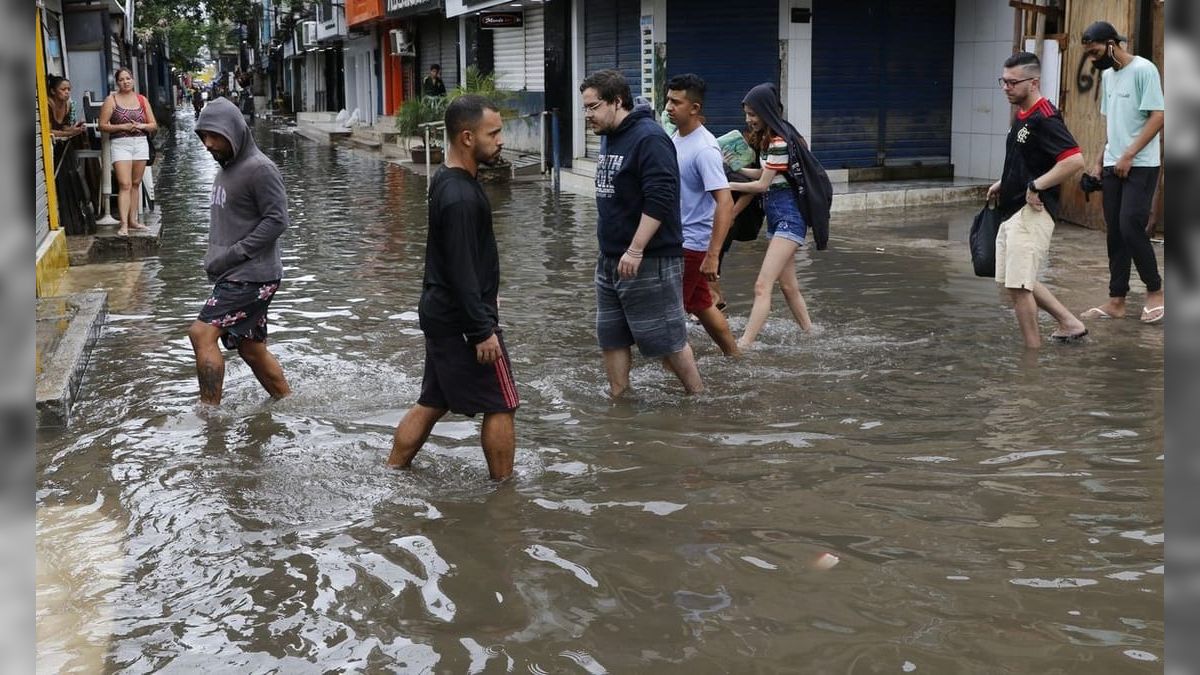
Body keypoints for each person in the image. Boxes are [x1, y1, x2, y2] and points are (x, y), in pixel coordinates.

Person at [386, 95, 518, 480]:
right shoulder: (460, 195)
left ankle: (393, 471)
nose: (501, 140)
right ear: (466, 137)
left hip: (442, 313)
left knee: (433, 400)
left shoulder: (446, 179)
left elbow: (460, 261)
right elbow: (461, 269)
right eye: (493, 133)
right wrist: (482, 330)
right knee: (502, 403)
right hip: (463, 322)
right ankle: (504, 493)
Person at [580, 69, 703, 396]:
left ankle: (700, 398)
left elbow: (661, 199)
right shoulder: (609, 134)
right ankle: (619, 399)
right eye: (585, 108)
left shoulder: (649, 138)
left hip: (649, 259)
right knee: (611, 336)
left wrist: (635, 249)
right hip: (610, 259)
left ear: (617, 101)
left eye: (592, 107)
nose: (587, 115)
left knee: (667, 340)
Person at [188, 98, 291, 405]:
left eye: (215, 136)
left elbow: (277, 220)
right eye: (203, 136)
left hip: (251, 275)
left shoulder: (260, 169)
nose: (208, 144)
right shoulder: (228, 168)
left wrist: (235, 254)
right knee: (251, 349)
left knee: (201, 333)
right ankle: (288, 403)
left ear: (234, 132)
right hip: (235, 273)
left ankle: (210, 418)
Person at [986, 52, 1088, 349]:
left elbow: (1074, 160)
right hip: (1014, 207)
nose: (1006, 87)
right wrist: (1005, 182)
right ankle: (1070, 323)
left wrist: (1036, 185)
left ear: (1034, 83)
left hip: (1032, 211)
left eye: (1012, 82)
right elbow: (1030, 159)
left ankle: (1031, 355)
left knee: (1019, 286)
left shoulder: (1045, 117)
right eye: (1003, 81)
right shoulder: (1023, 115)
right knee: (1016, 281)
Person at [1078, 21, 1166, 324]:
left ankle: (1155, 292)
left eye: (1095, 51)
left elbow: (1158, 116)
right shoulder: (1107, 75)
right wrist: (1100, 160)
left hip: (1141, 164)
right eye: (1089, 53)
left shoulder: (1144, 70)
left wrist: (1129, 154)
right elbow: (1113, 124)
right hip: (1114, 163)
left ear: (1112, 44)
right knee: (1114, 231)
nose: (1093, 58)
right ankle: (1117, 300)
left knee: (1130, 225)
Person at [727, 83, 816, 350]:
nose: (749, 120)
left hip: (789, 220)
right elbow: (767, 175)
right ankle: (811, 334)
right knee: (788, 287)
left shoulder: (778, 141)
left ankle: (743, 344)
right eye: (746, 114)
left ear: (766, 111)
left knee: (761, 285)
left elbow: (762, 186)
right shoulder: (773, 140)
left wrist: (728, 185)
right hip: (778, 220)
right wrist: (735, 167)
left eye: (753, 114)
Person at [664, 73, 739, 356]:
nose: (669, 107)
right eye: (668, 100)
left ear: (694, 108)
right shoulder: (676, 136)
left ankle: (679, 377)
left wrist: (713, 255)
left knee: (667, 316)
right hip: (679, 239)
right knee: (702, 305)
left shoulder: (704, 148)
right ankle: (734, 356)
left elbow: (725, 201)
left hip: (690, 245)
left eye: (676, 102)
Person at [97, 68, 157, 236]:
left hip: (140, 142)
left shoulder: (142, 99)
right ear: (117, 82)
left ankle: (133, 221)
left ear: (133, 80)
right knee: (125, 184)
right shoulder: (111, 100)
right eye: (122, 79)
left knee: (136, 183)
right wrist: (121, 127)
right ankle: (123, 224)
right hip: (120, 143)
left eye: (128, 78)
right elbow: (102, 125)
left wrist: (142, 126)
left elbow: (153, 124)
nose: (125, 82)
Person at [46, 75, 94, 235]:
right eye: (63, 89)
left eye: (69, 90)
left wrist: (75, 129)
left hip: (64, 146)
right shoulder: (47, 104)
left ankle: (73, 223)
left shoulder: (67, 105)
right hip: (51, 148)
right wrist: (69, 131)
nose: (67, 93)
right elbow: (47, 131)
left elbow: (65, 127)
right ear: (53, 91)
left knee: (71, 181)